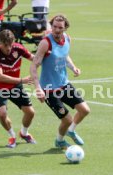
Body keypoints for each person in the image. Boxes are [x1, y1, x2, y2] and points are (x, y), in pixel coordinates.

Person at [30, 14, 90, 149]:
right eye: (54, 27)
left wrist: (73, 67)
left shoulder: (67, 39)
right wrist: (38, 88)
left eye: (60, 28)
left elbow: (65, 55)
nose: (56, 30)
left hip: (64, 84)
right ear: (51, 26)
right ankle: (59, 140)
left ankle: (71, 131)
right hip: (49, 89)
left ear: (65, 28)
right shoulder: (46, 43)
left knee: (85, 110)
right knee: (67, 119)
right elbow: (34, 66)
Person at [0, 29, 36, 148]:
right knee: (2, 113)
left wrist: (49, 56)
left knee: (30, 113)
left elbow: (35, 59)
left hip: (15, 86)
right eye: (5, 45)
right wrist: (22, 80)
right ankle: (12, 136)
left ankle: (24, 133)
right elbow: (0, 77)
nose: (9, 48)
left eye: (10, 44)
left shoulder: (19, 48)